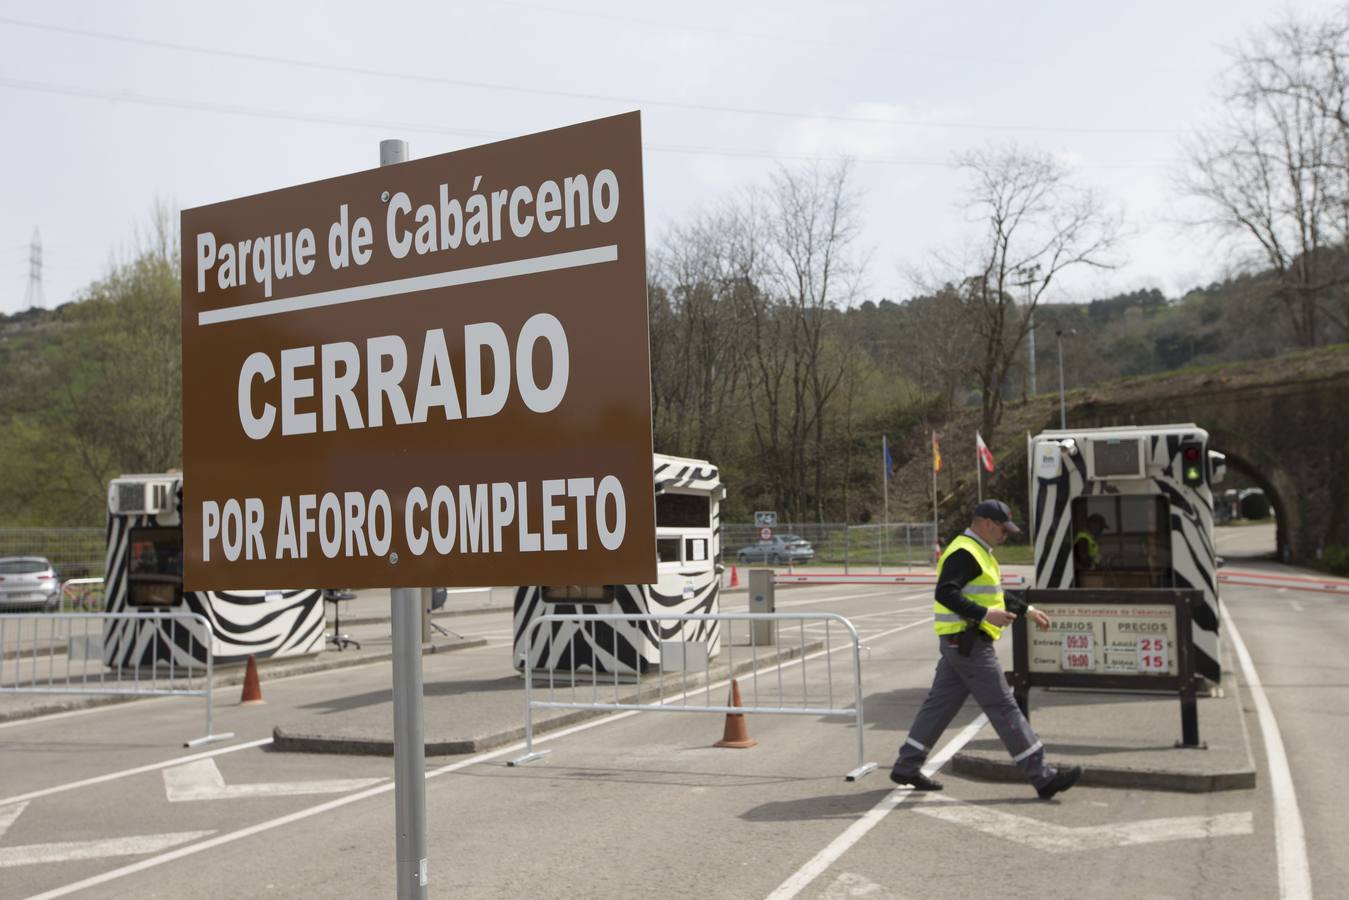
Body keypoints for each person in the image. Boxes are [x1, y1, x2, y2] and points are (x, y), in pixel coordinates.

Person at [890, 499, 1082, 800]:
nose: (1006, 535)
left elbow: (993, 593)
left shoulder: (978, 551)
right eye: (1003, 530)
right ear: (986, 523)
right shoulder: (966, 552)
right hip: (969, 642)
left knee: (939, 705)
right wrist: (983, 615)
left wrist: (1027, 609)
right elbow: (945, 592)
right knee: (1004, 707)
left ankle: (907, 765)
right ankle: (1043, 777)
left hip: (959, 643)